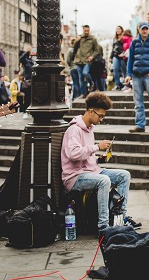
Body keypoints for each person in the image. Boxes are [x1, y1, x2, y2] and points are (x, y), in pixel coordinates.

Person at [61, 91, 140, 234]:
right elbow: (73, 154)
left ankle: (120, 218)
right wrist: (97, 147)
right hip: (74, 177)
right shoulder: (74, 130)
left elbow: (86, 156)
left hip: (90, 171)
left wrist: (98, 159)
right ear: (91, 111)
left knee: (124, 175)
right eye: (101, 116)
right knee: (103, 181)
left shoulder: (90, 129)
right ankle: (103, 226)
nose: (102, 119)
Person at [125, 22, 149, 133]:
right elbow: (130, 59)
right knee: (138, 102)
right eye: (142, 29)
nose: (145, 31)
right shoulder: (134, 42)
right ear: (139, 29)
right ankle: (140, 125)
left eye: (146, 29)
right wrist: (128, 74)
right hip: (136, 75)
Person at [74, 25, 100, 97]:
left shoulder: (92, 39)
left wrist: (92, 56)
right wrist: (77, 41)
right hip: (79, 60)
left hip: (87, 60)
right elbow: (74, 48)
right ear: (83, 30)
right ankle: (83, 93)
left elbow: (97, 50)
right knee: (80, 77)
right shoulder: (80, 38)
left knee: (85, 73)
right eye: (85, 31)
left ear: (89, 30)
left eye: (87, 31)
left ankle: (91, 83)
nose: (86, 32)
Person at [110, 26, 126, 91]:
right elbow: (113, 48)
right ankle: (117, 84)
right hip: (115, 55)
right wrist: (111, 57)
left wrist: (124, 53)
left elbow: (127, 45)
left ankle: (126, 84)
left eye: (119, 29)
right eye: (117, 29)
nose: (118, 30)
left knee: (124, 70)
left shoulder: (124, 37)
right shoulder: (114, 39)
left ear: (122, 30)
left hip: (122, 55)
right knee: (115, 69)